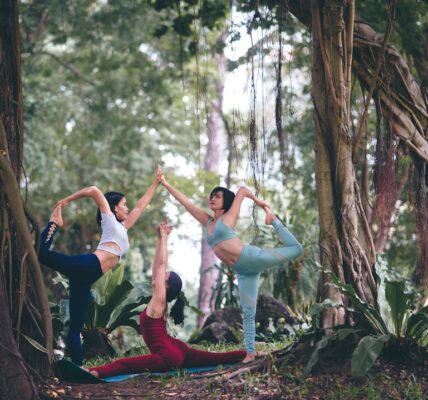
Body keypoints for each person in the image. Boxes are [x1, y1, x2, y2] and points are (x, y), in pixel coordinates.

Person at [157, 168, 303, 363]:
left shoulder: (228, 217)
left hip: (252, 257)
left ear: (225, 201)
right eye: (212, 196)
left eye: (217, 196)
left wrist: (260, 204)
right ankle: (250, 353)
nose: (213, 198)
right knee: (248, 312)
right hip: (243, 271)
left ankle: (273, 220)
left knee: (296, 249)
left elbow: (242, 190)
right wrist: (165, 183)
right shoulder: (206, 220)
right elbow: (185, 202)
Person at [88, 220, 246, 378]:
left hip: (167, 357)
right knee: (214, 358)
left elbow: (162, 264)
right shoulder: (158, 301)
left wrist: (164, 237)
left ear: (166, 286)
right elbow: (157, 266)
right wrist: (159, 238)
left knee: (123, 364)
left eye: (164, 275)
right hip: (176, 349)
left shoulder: (159, 302)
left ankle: (94, 373)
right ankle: (250, 353)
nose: (159, 275)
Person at [38, 167, 161, 365]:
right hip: (85, 265)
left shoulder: (122, 227)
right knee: (41, 253)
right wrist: (66, 201)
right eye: (124, 204)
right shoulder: (109, 218)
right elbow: (94, 190)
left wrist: (156, 183)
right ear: (114, 208)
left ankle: (78, 367)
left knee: (76, 328)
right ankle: (54, 222)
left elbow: (140, 206)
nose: (128, 208)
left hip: (86, 277)